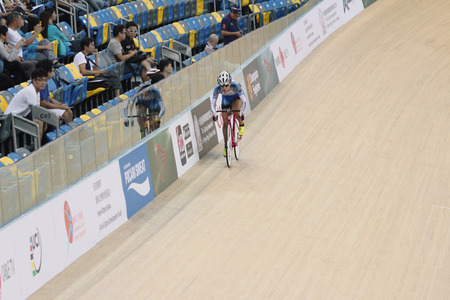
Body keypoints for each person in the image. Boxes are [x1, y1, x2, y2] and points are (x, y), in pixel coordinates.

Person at [4, 68, 48, 141]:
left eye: (45, 80)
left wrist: (49, 116)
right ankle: (38, 148)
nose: (43, 83)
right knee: (39, 121)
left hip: (21, 116)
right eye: (40, 80)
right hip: (11, 120)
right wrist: (50, 116)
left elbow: (37, 110)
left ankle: (40, 143)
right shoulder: (30, 91)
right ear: (34, 80)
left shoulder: (37, 91)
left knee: (45, 119)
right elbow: (35, 112)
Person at [210, 71, 247, 156]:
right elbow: (213, 104)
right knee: (225, 123)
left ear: (230, 83)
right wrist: (214, 114)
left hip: (237, 98)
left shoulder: (236, 86)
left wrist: (243, 113)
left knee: (235, 109)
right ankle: (226, 146)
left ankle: (241, 124)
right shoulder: (217, 89)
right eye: (222, 86)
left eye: (226, 85)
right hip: (226, 100)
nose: (224, 88)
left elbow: (244, 101)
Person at [124, 73, 165, 138]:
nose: (145, 95)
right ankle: (142, 132)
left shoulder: (155, 91)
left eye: (146, 93)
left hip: (153, 103)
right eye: (144, 94)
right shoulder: (137, 92)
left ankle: (156, 133)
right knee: (140, 113)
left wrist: (158, 118)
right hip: (141, 103)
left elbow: (162, 107)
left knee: (155, 123)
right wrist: (127, 118)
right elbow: (127, 105)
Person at [35, 59, 73, 124]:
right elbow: (43, 104)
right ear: (48, 73)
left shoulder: (45, 83)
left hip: (46, 108)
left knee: (69, 112)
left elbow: (49, 99)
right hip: (40, 111)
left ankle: (66, 132)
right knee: (65, 114)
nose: (53, 73)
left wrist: (61, 104)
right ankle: (59, 133)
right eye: (52, 71)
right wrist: (60, 107)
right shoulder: (39, 84)